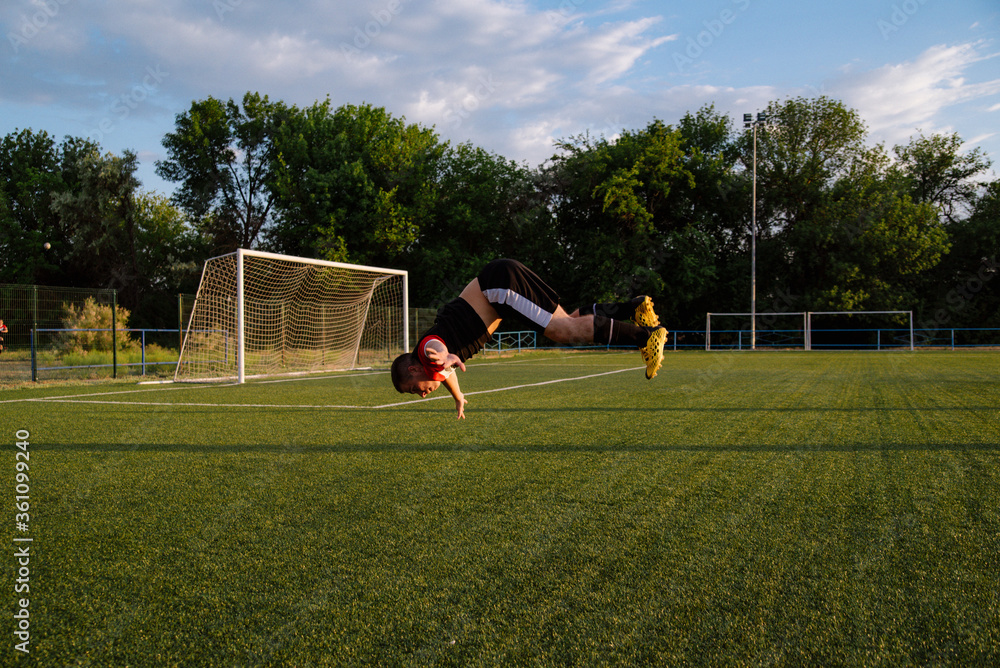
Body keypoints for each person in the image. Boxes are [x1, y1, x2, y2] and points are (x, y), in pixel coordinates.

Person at [391, 259, 668, 419]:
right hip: (497, 287)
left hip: (497, 288)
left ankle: (646, 338)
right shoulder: (433, 368)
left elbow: (435, 348)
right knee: (568, 321)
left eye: (414, 389)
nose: (422, 395)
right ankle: (633, 308)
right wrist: (459, 396)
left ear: (413, 369)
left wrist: (446, 354)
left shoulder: (427, 352)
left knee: (561, 331)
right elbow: (447, 374)